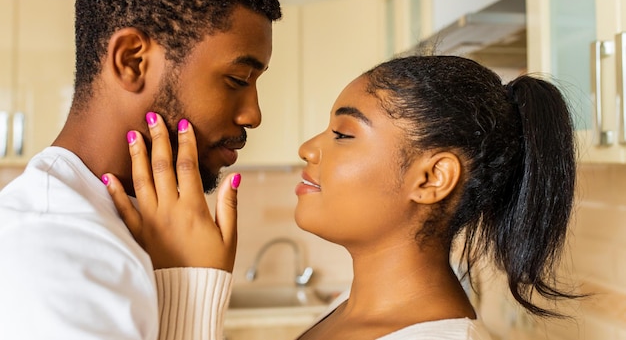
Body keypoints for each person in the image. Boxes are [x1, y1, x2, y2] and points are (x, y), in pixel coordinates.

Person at [107, 55, 580, 340]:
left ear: (433, 177)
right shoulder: (350, 312)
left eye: (343, 133)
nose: (309, 148)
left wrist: (190, 288)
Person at [0, 0, 281, 339]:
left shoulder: (131, 229)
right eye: (238, 78)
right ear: (132, 61)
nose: (253, 115)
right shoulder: (53, 252)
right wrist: (192, 291)